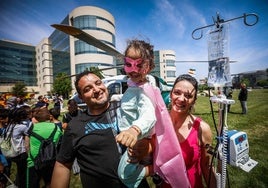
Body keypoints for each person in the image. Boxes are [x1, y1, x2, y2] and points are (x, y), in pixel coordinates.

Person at [51, 71, 150, 188]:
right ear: (81, 97)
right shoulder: (75, 126)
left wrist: (146, 146)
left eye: (98, 83)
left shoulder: (127, 108)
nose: (97, 89)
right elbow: (63, 165)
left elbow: (154, 137)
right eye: (88, 89)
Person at [116, 39, 157, 188]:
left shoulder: (143, 90)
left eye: (139, 65)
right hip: (132, 141)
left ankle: (155, 169)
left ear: (150, 67)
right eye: (128, 64)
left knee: (124, 175)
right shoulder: (137, 85)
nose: (133, 69)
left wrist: (134, 130)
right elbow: (132, 102)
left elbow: (149, 114)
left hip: (137, 141)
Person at [165, 74, 216, 188]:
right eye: (177, 92)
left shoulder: (202, 129)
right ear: (171, 93)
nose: (181, 98)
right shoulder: (159, 122)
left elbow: (206, 166)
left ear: (193, 101)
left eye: (188, 95)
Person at [27, 107, 62, 188]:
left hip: (33, 161)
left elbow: (26, 144)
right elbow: (60, 143)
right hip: (51, 160)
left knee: (33, 184)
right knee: (49, 182)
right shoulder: (56, 127)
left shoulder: (32, 128)